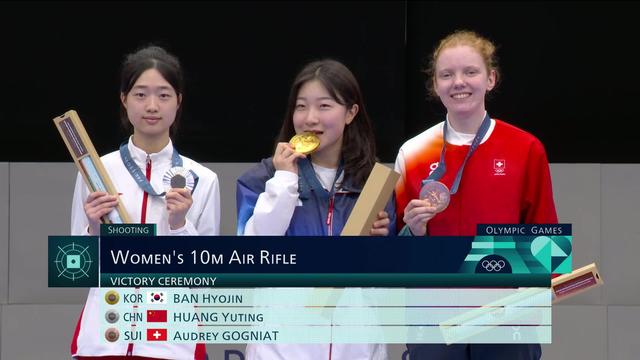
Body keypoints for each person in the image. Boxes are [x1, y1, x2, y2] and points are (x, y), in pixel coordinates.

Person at [394, 30, 558, 359]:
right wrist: (414, 231)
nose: (459, 82)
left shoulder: (525, 148)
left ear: (491, 78)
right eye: (446, 74)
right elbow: (396, 255)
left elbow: (545, 238)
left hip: (507, 313)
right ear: (435, 85)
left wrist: (530, 295)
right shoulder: (412, 153)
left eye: (470, 71)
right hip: (433, 317)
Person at [236, 59, 394, 359]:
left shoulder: (374, 184)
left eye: (324, 106)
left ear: (351, 113)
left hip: (356, 347)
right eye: (301, 106)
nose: (310, 119)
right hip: (281, 348)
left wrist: (379, 245)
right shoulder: (259, 179)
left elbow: (386, 281)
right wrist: (284, 180)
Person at [70, 45, 220, 359]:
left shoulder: (202, 179)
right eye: (140, 94)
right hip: (103, 341)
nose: (152, 106)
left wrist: (179, 227)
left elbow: (204, 281)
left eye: (164, 95)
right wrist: (94, 229)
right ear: (123, 99)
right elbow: (77, 270)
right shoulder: (96, 172)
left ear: (179, 101)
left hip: (170, 345)